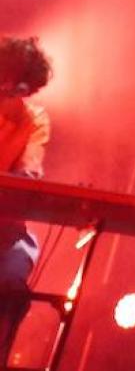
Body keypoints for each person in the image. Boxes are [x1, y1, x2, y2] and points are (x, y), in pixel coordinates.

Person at [0, 37, 52, 362]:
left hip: (5, 231)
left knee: (15, 282)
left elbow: (28, 174)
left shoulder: (35, 120)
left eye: (23, 87)